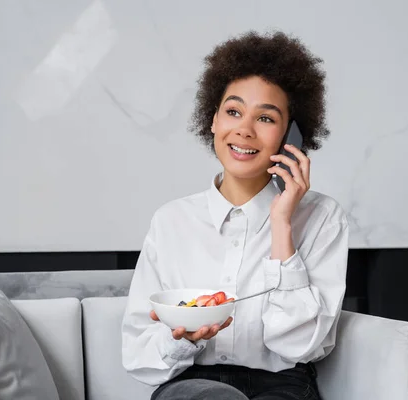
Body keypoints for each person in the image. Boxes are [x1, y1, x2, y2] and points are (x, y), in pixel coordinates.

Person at [121, 30, 349, 400]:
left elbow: (299, 345)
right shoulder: (170, 221)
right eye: (233, 111)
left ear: (290, 137)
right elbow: (139, 355)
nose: (244, 128)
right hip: (191, 383)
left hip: (284, 385)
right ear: (212, 120)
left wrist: (281, 224)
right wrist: (183, 341)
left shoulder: (323, 217)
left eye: (266, 118)